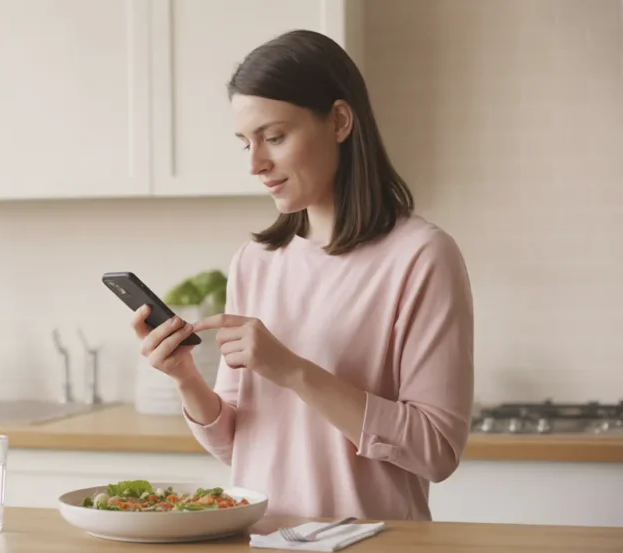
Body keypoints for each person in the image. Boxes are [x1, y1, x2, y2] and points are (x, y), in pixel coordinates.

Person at [130, 29, 474, 522]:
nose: (255, 163)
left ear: (338, 121)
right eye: (245, 143)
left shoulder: (421, 257)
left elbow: (437, 451)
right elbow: (239, 446)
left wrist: (292, 370)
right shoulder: (255, 262)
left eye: (274, 137)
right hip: (263, 547)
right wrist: (186, 378)